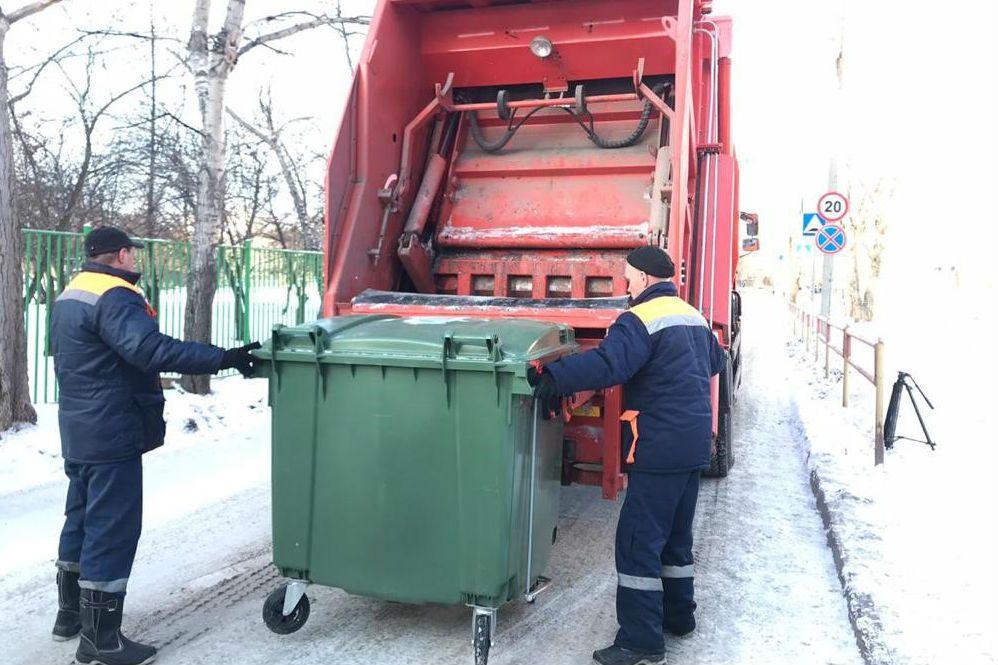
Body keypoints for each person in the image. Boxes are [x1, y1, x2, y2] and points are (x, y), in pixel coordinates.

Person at [48, 226, 260, 665]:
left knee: (81, 518)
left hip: (79, 426)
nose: (134, 261)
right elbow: (149, 350)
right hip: (111, 429)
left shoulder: (72, 292)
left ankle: (70, 616)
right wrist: (223, 358)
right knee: (111, 527)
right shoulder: (115, 296)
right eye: (132, 254)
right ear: (122, 255)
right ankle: (102, 640)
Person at [528, 246, 726, 665]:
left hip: (658, 445)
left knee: (638, 542)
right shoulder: (693, 316)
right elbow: (715, 362)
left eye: (629, 274)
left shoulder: (639, 320)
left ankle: (640, 641)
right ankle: (678, 617)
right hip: (692, 444)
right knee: (675, 536)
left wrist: (555, 378)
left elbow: (608, 364)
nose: (626, 281)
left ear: (645, 277)